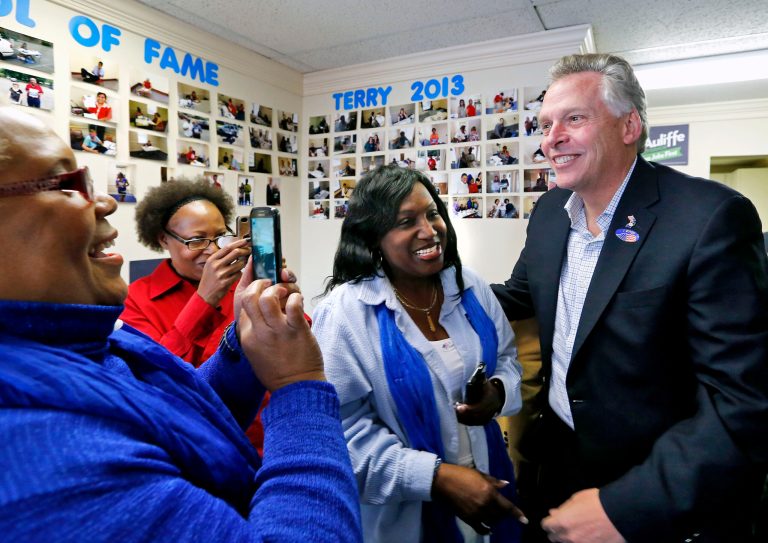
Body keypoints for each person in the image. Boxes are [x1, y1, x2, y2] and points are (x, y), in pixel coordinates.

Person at [0, 106, 362, 542]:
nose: (106, 202)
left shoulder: (81, 330)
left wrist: (245, 342)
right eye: (68, 184)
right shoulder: (46, 464)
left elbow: (175, 406)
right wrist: (298, 385)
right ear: (163, 241)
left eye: (217, 235)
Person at [490, 53, 768, 543]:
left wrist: (627, 505)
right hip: (559, 462)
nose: (551, 137)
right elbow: (517, 296)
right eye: (546, 123)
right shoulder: (551, 211)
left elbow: (742, 403)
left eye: (573, 118)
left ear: (629, 126)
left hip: (658, 484)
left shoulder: (711, 217)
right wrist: (413, 287)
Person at [313, 165, 527, 543]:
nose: (429, 231)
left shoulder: (470, 286)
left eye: (432, 213)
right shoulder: (346, 312)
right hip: (404, 518)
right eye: (406, 221)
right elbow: (339, 435)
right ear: (374, 237)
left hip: (490, 487)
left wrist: (496, 393)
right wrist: (437, 477)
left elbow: (509, 360)